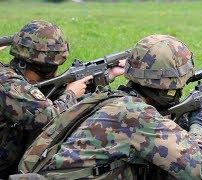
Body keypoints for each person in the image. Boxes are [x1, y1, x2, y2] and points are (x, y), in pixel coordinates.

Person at [17, 34, 202, 179]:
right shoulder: (137, 114)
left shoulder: (107, 99)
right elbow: (197, 167)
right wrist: (200, 122)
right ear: (170, 85)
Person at [0, 20, 124, 178]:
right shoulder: (7, 84)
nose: (56, 72)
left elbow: (44, 96)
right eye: (53, 68)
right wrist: (71, 94)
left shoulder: (15, 78)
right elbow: (49, 118)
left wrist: (108, 75)